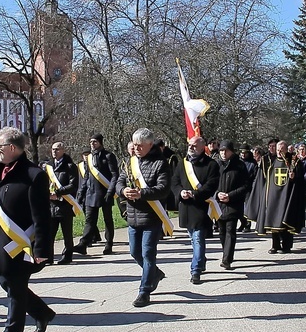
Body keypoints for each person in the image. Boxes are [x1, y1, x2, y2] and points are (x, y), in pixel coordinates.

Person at [0, 127, 55, 332]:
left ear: (12, 148)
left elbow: (42, 216)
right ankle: (42, 313)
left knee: (14, 288)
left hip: (23, 245)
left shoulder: (34, 175)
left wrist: (41, 249)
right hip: (0, 242)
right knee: (7, 283)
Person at [117, 128, 172, 308]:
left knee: (148, 253)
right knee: (135, 252)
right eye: (135, 145)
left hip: (152, 216)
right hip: (133, 216)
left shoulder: (161, 163)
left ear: (150, 144)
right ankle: (154, 273)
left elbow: (163, 189)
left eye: (140, 145)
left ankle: (145, 290)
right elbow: (119, 181)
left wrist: (142, 193)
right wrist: (123, 191)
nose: (136, 148)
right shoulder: (129, 162)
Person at [171, 136, 219, 285]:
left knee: (198, 238)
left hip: (201, 207)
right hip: (186, 207)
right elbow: (175, 182)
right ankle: (201, 260)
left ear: (202, 146)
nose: (191, 147)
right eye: (190, 145)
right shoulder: (182, 163)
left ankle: (195, 270)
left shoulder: (211, 164)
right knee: (193, 239)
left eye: (194, 145)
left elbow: (212, 184)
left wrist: (195, 194)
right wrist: (180, 192)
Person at [247, 140, 305, 252]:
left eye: (281, 150)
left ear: (286, 149)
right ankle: (275, 245)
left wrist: (294, 177)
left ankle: (287, 245)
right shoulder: (271, 162)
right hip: (274, 196)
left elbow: (301, 180)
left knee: (286, 220)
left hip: (287, 196)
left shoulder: (294, 161)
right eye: (278, 150)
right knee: (273, 221)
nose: (279, 152)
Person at [76, 133, 119, 255]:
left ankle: (108, 244)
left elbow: (115, 175)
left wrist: (110, 191)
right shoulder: (89, 158)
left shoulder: (109, 156)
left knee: (107, 219)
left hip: (105, 192)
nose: (92, 144)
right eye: (91, 142)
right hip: (91, 193)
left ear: (100, 142)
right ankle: (83, 244)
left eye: (94, 142)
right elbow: (87, 177)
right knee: (90, 220)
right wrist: (81, 194)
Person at [44, 142, 81, 265]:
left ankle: (67, 256)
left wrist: (58, 193)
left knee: (67, 233)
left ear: (63, 150)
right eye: (53, 149)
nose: (54, 151)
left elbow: (73, 185)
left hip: (65, 204)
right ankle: (48, 257)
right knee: (49, 233)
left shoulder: (70, 166)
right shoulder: (48, 166)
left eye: (57, 149)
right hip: (51, 205)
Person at [215, 141, 249, 268]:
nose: (223, 153)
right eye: (221, 151)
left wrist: (230, 196)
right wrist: (217, 194)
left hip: (233, 203)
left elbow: (246, 185)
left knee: (230, 231)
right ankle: (226, 253)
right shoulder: (216, 165)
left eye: (226, 150)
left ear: (232, 151)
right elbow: (211, 183)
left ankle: (227, 259)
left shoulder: (240, 166)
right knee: (222, 231)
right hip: (219, 204)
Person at [237, 144, 256, 232]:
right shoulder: (237, 162)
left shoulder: (253, 163)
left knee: (247, 207)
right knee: (239, 207)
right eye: (241, 153)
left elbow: (254, 176)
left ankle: (248, 225)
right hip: (239, 187)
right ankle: (242, 223)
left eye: (245, 153)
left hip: (249, 188)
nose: (243, 155)